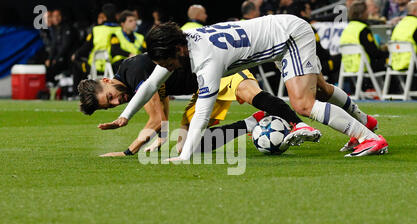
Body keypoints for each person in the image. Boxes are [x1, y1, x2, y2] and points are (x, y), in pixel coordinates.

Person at [109, 15, 389, 160]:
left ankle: (369, 138)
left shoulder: (207, 61)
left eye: (167, 62)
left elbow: (203, 115)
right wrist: (126, 116)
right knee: (322, 90)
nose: (167, 68)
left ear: (178, 49)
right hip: (283, 30)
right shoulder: (186, 40)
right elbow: (150, 84)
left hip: (289, 37)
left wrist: (183, 157)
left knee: (303, 104)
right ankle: (365, 121)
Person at [78, 54, 321, 156]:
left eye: (110, 97)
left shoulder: (133, 73)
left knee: (248, 92)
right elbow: (161, 98)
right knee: (188, 147)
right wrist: (162, 134)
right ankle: (251, 122)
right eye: (111, 106)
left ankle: (298, 123)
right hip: (203, 89)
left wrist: (128, 151)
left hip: (218, 70)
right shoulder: (129, 79)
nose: (117, 102)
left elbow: (153, 118)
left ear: (106, 80)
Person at [71, 3, 119, 95]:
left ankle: (75, 93)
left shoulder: (96, 29)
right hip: (113, 66)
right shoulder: (121, 30)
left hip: (94, 66)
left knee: (76, 63)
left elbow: (86, 47)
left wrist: (76, 54)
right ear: (116, 15)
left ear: (104, 16)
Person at [340, 1, 389, 73]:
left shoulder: (347, 29)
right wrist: (387, 52)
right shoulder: (363, 29)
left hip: (349, 67)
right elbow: (373, 52)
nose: (368, 14)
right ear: (361, 14)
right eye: (366, 11)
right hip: (365, 66)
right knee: (391, 60)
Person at [45, 9, 76, 86]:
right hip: (60, 57)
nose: (56, 18)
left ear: (61, 17)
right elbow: (54, 45)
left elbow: (66, 46)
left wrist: (56, 58)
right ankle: (52, 84)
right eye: (53, 16)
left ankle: (67, 83)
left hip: (69, 57)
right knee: (47, 64)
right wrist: (50, 58)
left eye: (57, 16)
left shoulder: (67, 27)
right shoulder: (54, 29)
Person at [390, 0, 417, 70]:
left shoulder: (399, 24)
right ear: (415, 11)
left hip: (396, 63)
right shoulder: (415, 24)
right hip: (412, 63)